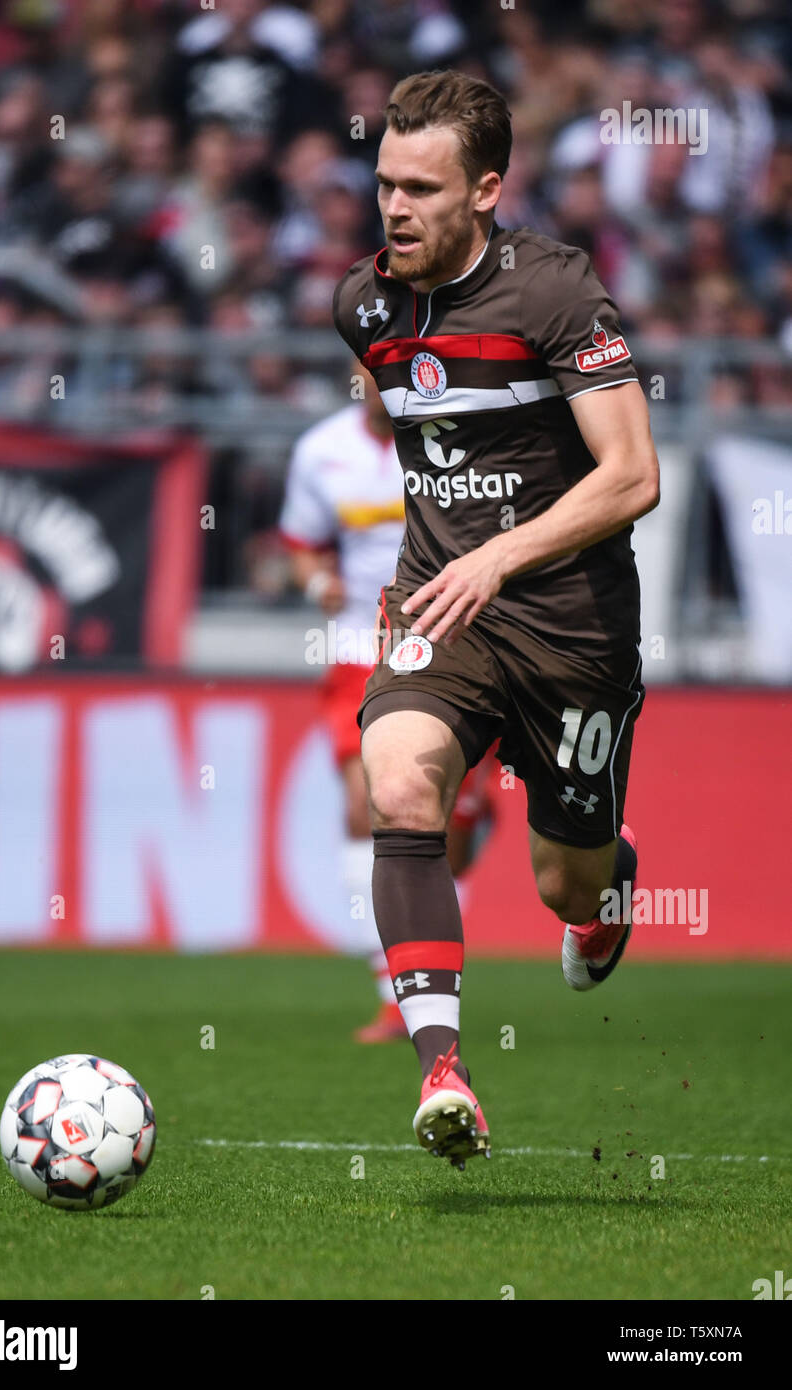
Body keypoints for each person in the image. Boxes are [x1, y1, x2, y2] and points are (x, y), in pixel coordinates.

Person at [332, 71, 659, 1167]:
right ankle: (441, 1067)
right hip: (441, 604)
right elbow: (413, 419)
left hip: (569, 623)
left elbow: (630, 477)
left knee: (558, 879)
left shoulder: (557, 295)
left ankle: (606, 885)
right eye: (383, 185)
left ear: (484, 189)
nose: (393, 210)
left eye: (420, 189)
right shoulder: (363, 306)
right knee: (399, 780)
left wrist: (503, 552)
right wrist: (454, 555)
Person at [280, 361, 499, 1043]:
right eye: (367, 371)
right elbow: (303, 545)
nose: (378, 383)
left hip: (454, 641)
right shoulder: (321, 452)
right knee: (366, 804)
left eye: (391, 370)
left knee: (445, 830)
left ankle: (472, 814)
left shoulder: (461, 444)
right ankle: (394, 996)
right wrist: (317, 584)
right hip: (358, 647)